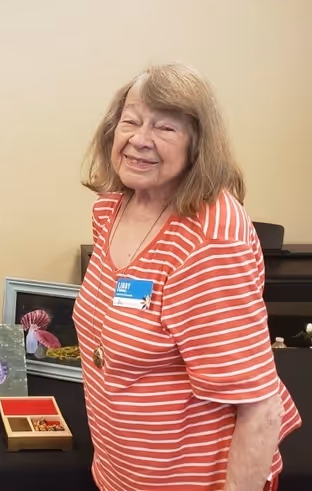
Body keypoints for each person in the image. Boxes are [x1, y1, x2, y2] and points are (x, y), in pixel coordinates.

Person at [72, 64, 301, 491]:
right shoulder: (112, 210)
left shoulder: (210, 241)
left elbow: (260, 405)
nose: (140, 139)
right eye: (131, 121)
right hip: (123, 472)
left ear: (198, 143)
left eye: (165, 128)